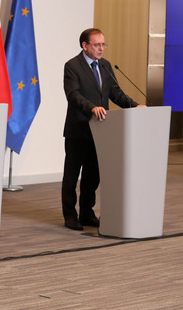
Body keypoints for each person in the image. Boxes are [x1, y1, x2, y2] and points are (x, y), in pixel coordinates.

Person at [62, 28, 145, 231]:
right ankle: (70, 216)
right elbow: (73, 95)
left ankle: (87, 213)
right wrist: (92, 108)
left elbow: (115, 93)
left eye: (103, 44)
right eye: (97, 44)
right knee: (72, 176)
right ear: (85, 45)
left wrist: (135, 106)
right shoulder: (72, 66)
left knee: (93, 175)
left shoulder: (106, 66)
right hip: (78, 131)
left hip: (101, 131)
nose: (101, 48)